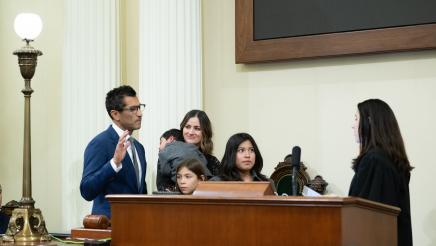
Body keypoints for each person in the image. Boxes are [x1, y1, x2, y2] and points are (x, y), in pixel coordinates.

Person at [349, 99, 413, 246]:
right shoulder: (391, 160)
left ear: (369, 122)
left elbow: (365, 217)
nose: (352, 125)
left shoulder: (374, 161)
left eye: (356, 118)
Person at [80, 85, 147, 218]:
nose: (139, 114)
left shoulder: (139, 148)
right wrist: (114, 163)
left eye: (139, 107)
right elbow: (87, 190)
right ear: (115, 114)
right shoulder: (100, 143)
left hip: (137, 225)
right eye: (133, 109)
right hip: (110, 227)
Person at [180, 110, 221, 175]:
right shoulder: (169, 155)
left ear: (205, 132)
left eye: (197, 128)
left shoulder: (212, 162)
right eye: (187, 127)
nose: (190, 132)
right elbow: (162, 185)